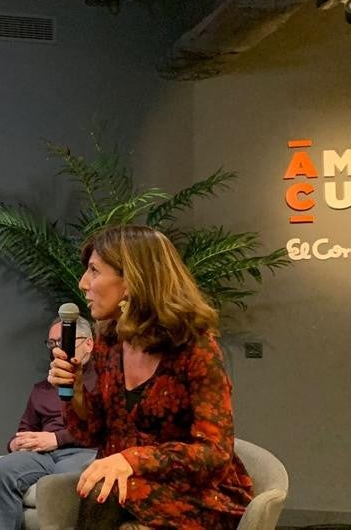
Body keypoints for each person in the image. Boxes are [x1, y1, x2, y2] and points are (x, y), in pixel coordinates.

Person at [49, 225, 253, 530]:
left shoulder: (195, 348)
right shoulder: (109, 342)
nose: (82, 284)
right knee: (103, 488)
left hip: (195, 495)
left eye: (94, 271)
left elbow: (214, 453)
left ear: (131, 280)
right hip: (126, 488)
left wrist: (133, 459)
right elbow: (92, 433)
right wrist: (75, 389)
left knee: (102, 490)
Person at [0, 316, 97, 530]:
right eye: (52, 343)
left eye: (63, 341)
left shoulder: (104, 380)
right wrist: (15, 444)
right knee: (0, 469)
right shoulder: (42, 388)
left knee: (61, 481)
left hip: (84, 451)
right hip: (43, 456)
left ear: (88, 344)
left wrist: (57, 439)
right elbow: (25, 428)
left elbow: (103, 427)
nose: (56, 350)